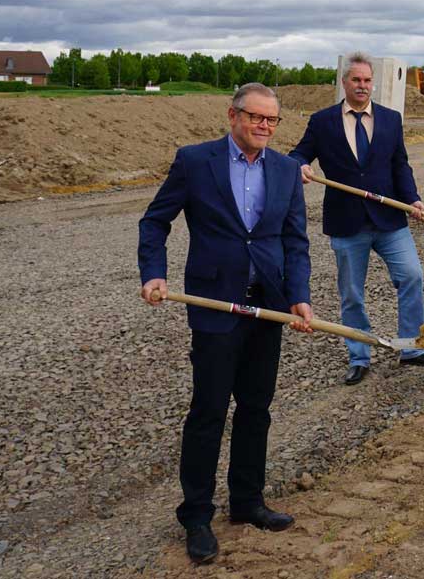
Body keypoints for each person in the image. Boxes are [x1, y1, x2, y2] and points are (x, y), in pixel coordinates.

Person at [138, 83, 313, 566]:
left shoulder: (283, 170)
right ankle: (196, 515)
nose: (264, 127)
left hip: (269, 307)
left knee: (256, 407)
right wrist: (154, 273)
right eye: (255, 117)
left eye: (272, 120)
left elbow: (295, 241)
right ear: (232, 116)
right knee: (209, 411)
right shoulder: (196, 162)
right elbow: (155, 222)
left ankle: (247, 502)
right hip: (215, 304)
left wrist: (299, 297)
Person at [288, 53, 424, 386]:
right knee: (352, 294)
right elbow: (299, 153)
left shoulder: (390, 119)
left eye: (367, 80)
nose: (362, 86)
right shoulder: (322, 121)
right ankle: (359, 356)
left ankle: (410, 347)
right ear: (344, 83)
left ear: (373, 83)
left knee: (412, 275)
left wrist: (412, 198)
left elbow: (400, 164)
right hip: (347, 222)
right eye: (356, 80)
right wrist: (299, 165)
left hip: (389, 219)